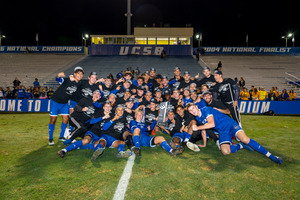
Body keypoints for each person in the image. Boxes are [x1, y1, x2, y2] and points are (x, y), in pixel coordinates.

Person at [186, 103, 283, 164]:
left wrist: (197, 127)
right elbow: (205, 129)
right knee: (225, 152)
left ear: (196, 106)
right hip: (222, 131)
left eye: (193, 108)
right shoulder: (198, 118)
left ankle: (272, 156)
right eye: (190, 111)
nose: (192, 111)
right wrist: (204, 143)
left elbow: (211, 124)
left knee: (244, 139)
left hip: (230, 124)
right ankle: (240, 146)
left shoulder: (206, 110)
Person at [48, 66, 84, 146]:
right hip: (55, 101)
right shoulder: (68, 79)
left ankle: (61, 136)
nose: (80, 75)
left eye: (81, 74)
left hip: (64, 103)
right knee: (53, 119)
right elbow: (58, 79)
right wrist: (59, 75)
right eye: (78, 73)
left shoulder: (80, 83)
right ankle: (50, 138)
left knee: (66, 119)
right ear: (74, 74)